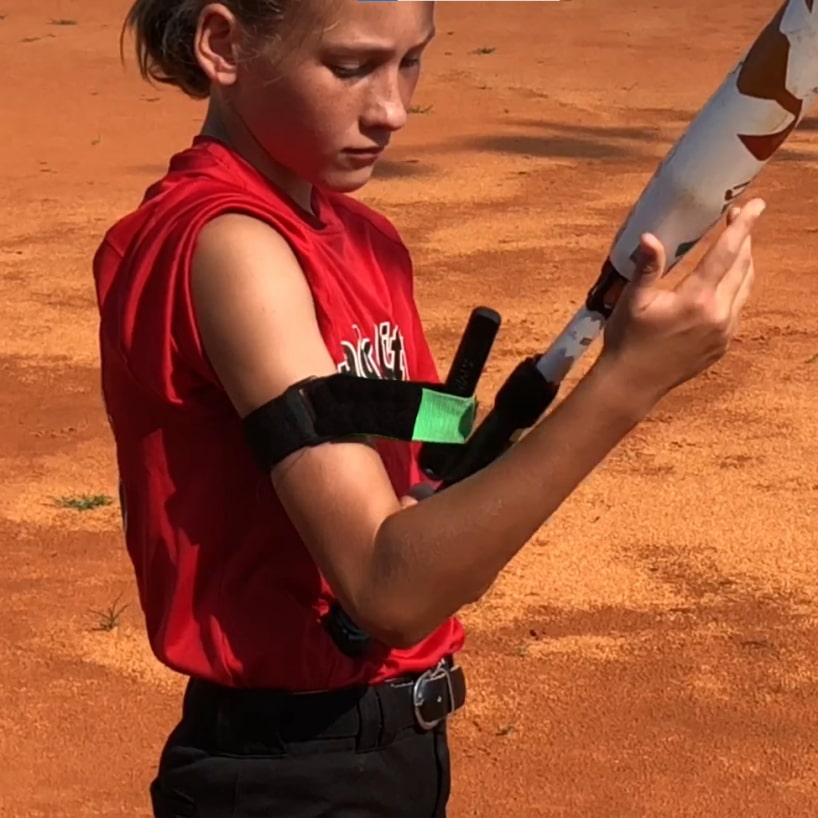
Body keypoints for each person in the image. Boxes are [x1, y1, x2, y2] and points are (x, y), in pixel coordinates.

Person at [92, 0, 765, 815]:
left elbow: (407, 473)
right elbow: (390, 589)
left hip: (391, 752)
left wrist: (445, 481)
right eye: (351, 68)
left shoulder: (363, 238)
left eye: (411, 60)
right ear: (222, 44)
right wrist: (625, 384)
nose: (393, 110)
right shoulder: (230, 248)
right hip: (290, 775)